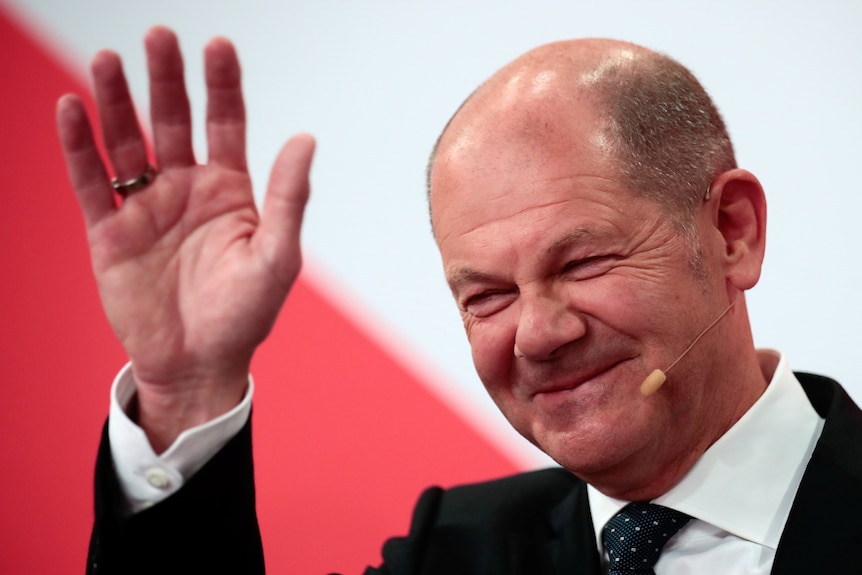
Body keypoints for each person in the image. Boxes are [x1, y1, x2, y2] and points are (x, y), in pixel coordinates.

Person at [57, 26, 862, 575]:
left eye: (581, 260)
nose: (538, 334)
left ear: (732, 232)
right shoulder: (455, 549)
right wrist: (186, 390)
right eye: (487, 295)